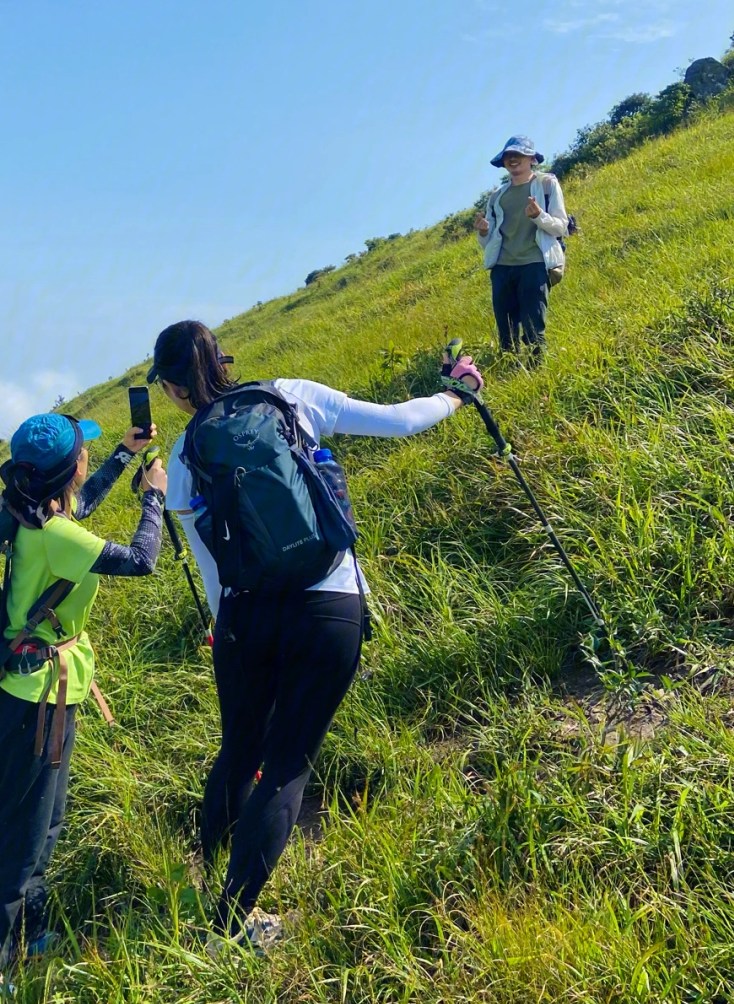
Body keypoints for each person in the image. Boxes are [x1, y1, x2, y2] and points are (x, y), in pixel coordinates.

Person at [148, 320, 483, 950]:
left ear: (170, 389)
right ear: (224, 359)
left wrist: (230, 637)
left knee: (240, 752)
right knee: (288, 764)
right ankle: (228, 924)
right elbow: (398, 420)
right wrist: (456, 395)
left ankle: (200, 880)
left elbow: (212, 570)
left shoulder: (185, 459)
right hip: (328, 603)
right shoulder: (291, 396)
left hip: (247, 620)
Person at [0, 411, 167, 993]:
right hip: (31, 701)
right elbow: (141, 559)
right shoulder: (55, 533)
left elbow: (86, 503)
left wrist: (124, 455)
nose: (87, 464)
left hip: (45, 691)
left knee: (45, 824)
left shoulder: (38, 511)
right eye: (86, 455)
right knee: (15, 837)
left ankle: (34, 934)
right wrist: (154, 499)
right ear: (68, 469)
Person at [473, 135, 568, 361]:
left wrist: (539, 216)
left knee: (534, 325)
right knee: (506, 330)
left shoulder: (546, 184)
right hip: (502, 268)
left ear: (532, 159)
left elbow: (560, 227)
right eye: (508, 156)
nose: (513, 159)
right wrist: (483, 232)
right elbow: (490, 241)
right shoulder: (497, 196)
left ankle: (539, 371)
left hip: (534, 263)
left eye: (519, 155)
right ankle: (511, 370)